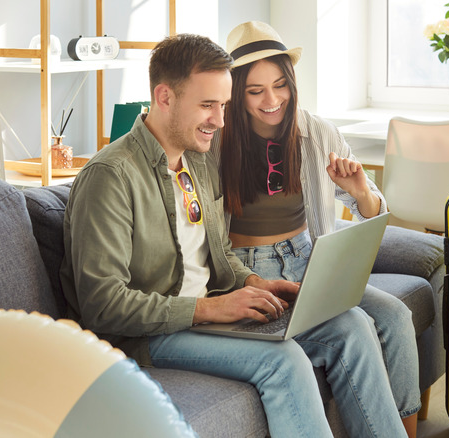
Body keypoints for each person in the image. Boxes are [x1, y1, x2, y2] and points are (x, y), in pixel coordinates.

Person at [60, 33, 408, 437]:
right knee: (286, 360)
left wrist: (254, 283)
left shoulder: (197, 161)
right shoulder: (110, 176)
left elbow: (219, 251)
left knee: (350, 326)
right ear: (164, 97)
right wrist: (211, 309)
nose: (221, 120)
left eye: (223, 105)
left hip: (206, 313)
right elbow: (102, 306)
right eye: (208, 105)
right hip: (151, 335)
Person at [213, 21, 421, 437]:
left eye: (280, 86)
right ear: (235, 92)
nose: (272, 100)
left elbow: (372, 210)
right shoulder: (217, 139)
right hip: (251, 268)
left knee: (395, 317)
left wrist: (360, 190)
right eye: (255, 91)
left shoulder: (315, 130)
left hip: (310, 259)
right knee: (351, 331)